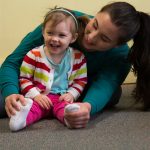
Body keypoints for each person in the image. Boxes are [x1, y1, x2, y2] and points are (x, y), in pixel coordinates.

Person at [1, 1, 150, 128]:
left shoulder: (121, 56)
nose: (90, 37)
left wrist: (87, 107)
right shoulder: (61, 22)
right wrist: (11, 93)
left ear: (117, 45)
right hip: (35, 86)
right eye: (95, 25)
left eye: (104, 38)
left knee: (112, 94)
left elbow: (104, 85)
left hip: (74, 90)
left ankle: (63, 108)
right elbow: (12, 63)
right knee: (5, 102)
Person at [8, 8, 87, 131]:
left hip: (62, 98)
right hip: (40, 97)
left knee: (66, 109)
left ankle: (70, 118)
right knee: (33, 109)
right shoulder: (33, 54)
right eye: (50, 33)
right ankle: (20, 120)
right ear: (43, 32)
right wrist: (36, 95)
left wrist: (71, 94)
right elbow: (24, 79)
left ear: (73, 38)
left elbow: (81, 80)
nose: (55, 39)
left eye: (62, 35)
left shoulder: (78, 57)